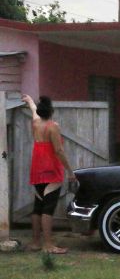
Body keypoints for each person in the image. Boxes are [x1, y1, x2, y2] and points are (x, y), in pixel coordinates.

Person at [22, 94, 76, 254]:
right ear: (51, 111)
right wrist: (70, 171)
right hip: (51, 168)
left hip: (37, 168)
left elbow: (33, 111)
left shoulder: (35, 123)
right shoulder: (53, 126)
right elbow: (58, 150)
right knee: (48, 207)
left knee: (38, 206)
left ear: (40, 111)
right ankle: (48, 245)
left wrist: (30, 101)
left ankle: (35, 242)